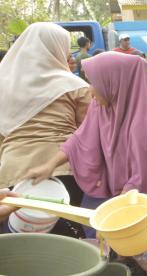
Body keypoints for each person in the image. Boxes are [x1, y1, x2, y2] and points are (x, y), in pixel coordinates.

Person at [26, 52, 147, 274]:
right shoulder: (102, 107)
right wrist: (50, 165)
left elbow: (141, 178)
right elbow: (80, 138)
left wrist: (113, 220)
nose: (90, 91)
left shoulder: (146, 123)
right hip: (125, 190)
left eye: (94, 84)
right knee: (140, 240)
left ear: (116, 84)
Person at [0, 22, 90, 237]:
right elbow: (88, 133)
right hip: (63, 170)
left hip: (12, 171)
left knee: (19, 241)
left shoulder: (3, 83)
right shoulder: (75, 86)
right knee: (67, 242)